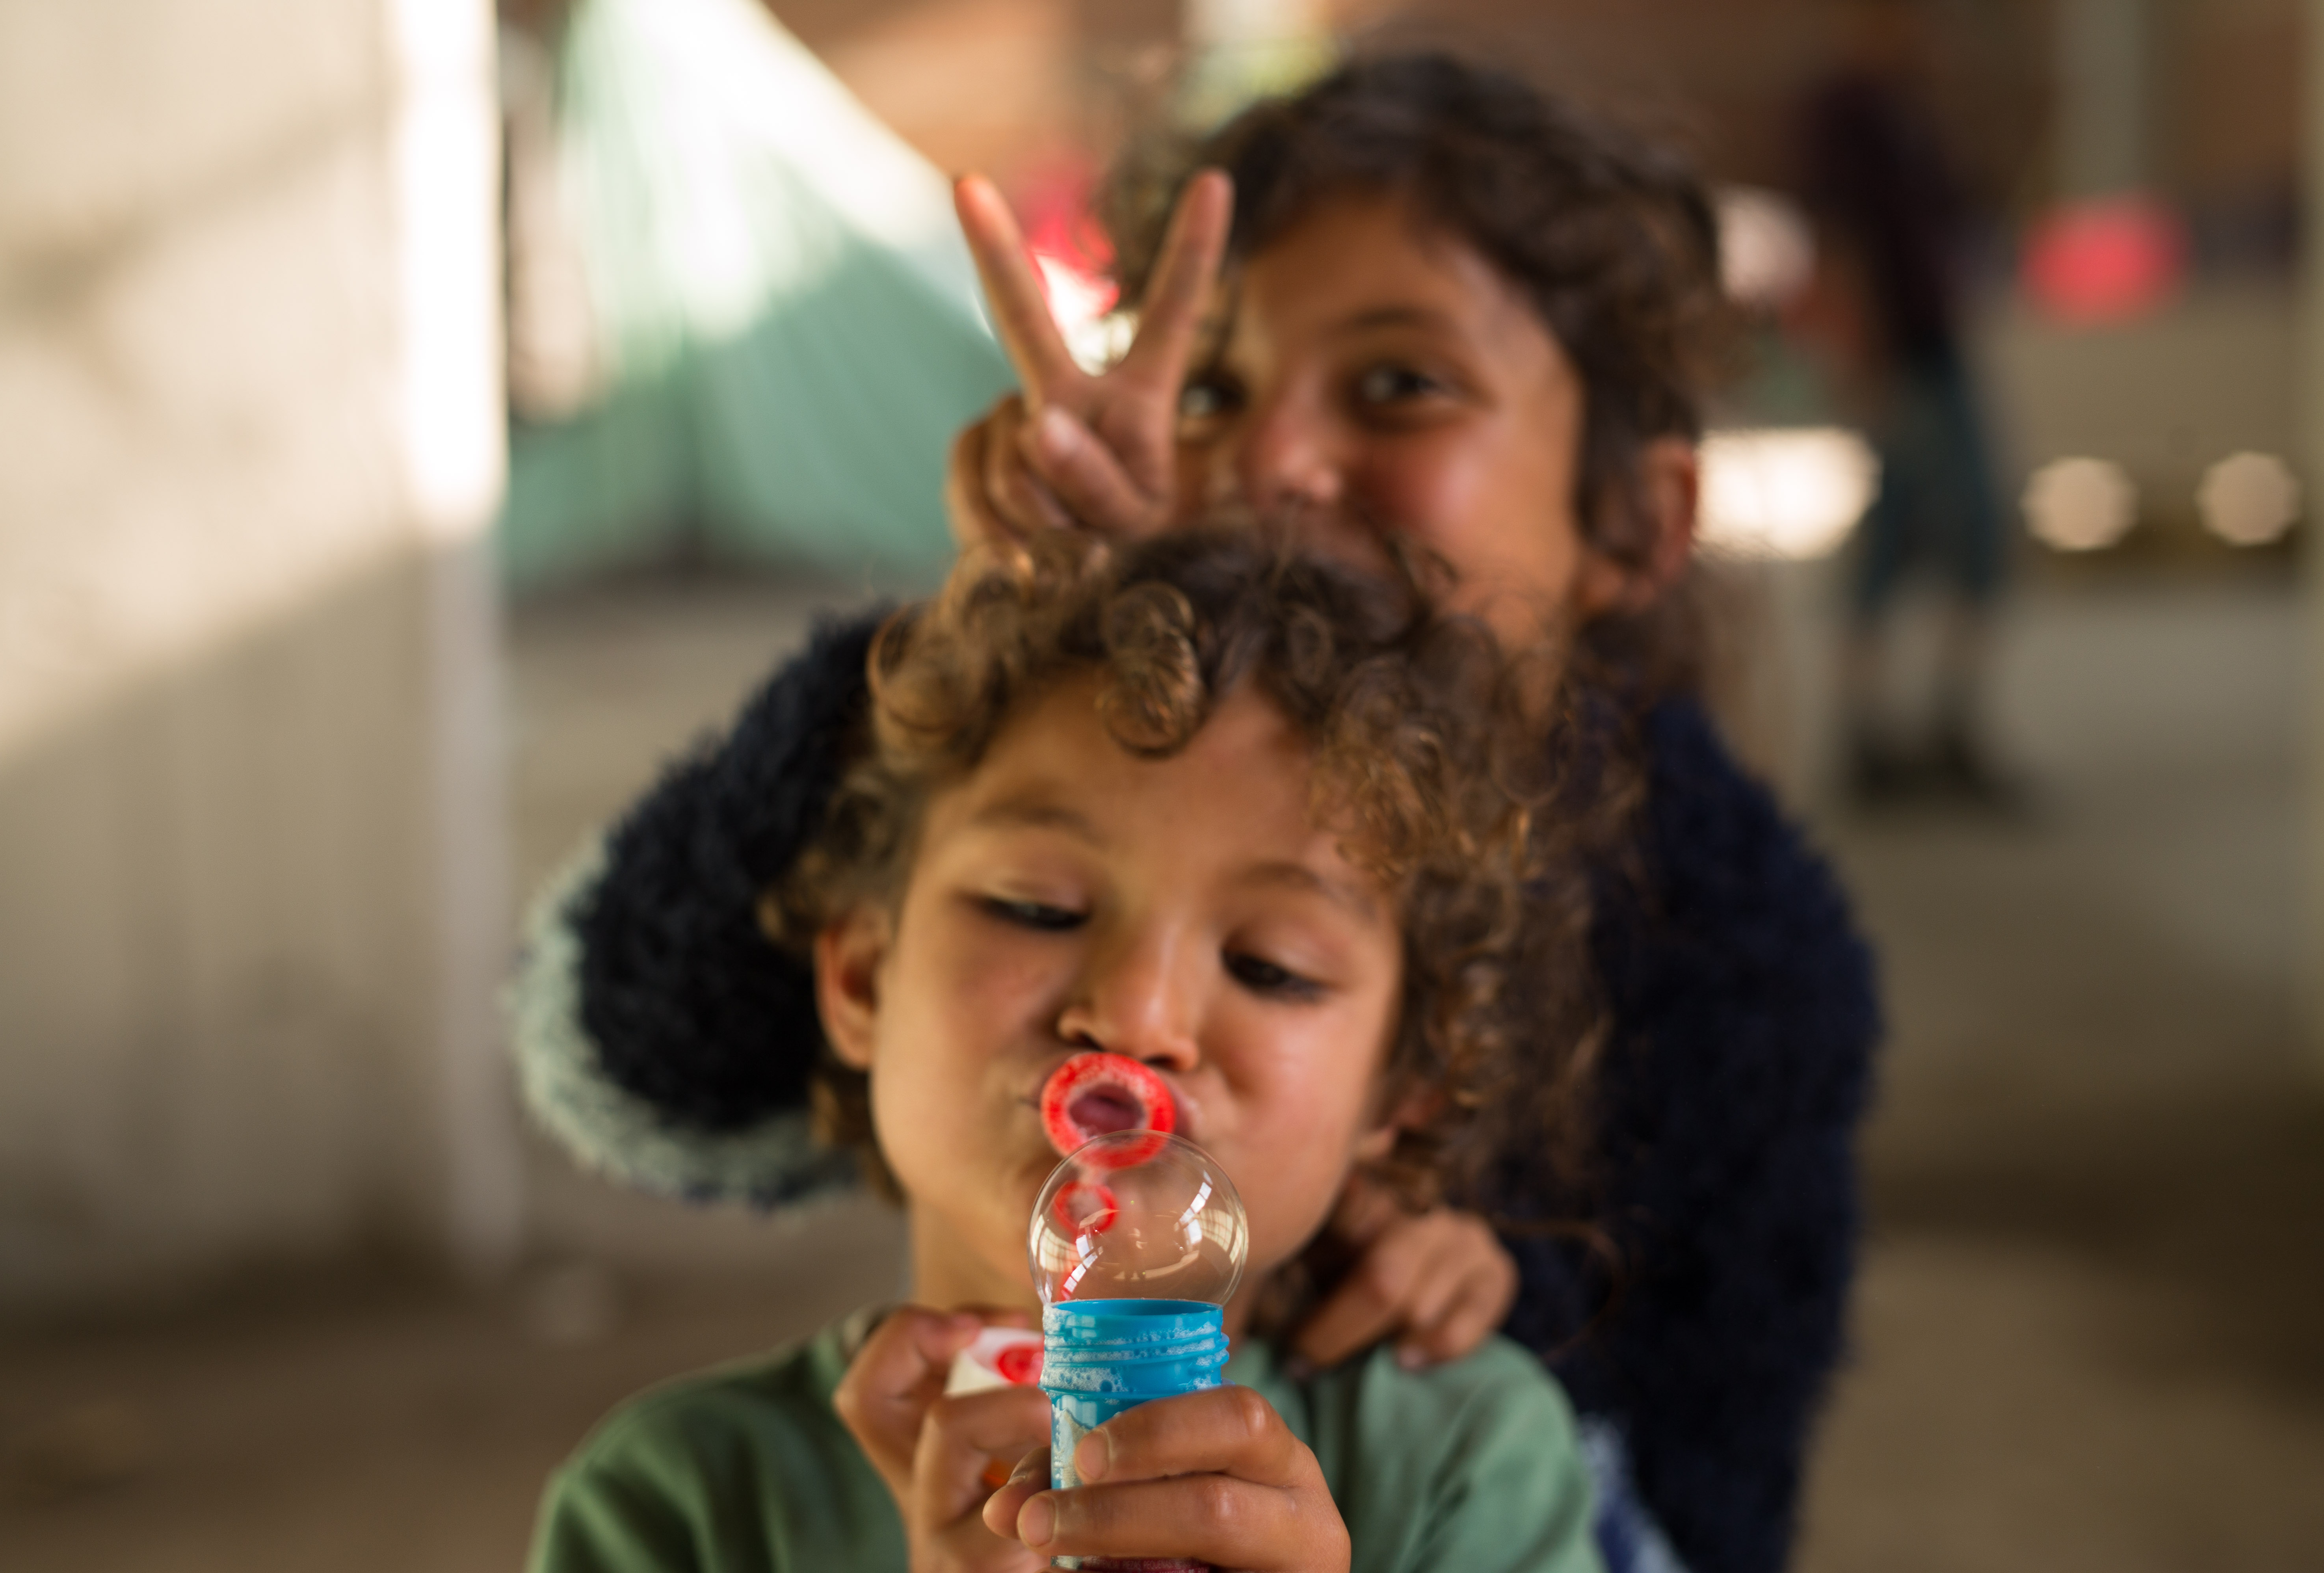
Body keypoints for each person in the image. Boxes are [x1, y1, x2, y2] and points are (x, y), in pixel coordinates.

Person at [514, 52, 1878, 1573]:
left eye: (1398, 386)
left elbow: (1707, 1488)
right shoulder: (681, 1501)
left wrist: (1465, 1291)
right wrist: (994, 624)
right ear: (858, 966)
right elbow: (631, 1056)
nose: (1264, 460)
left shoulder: (1729, 950)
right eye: (1212, 389)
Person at [528, 528, 1604, 1573]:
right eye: (1036, 908)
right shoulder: (674, 1505)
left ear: (1400, 1094)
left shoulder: (1463, 1460)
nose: (1136, 1014)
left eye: (1270, 966)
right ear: (862, 978)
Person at [1795, 0, 2014, 803]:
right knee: (1929, 533)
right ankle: (1882, 732)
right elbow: (1837, 240)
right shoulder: (1846, 113)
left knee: (1954, 535)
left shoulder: (1911, 114)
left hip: (1934, 347)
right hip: (1900, 357)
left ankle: (1931, 724)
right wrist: (1860, 356)